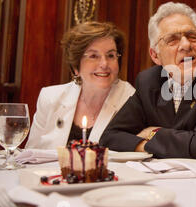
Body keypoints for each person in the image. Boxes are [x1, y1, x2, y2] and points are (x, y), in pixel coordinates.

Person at [100, 2, 196, 189]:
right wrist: (147, 145)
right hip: (165, 187)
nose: (186, 45)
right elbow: (110, 137)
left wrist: (153, 133)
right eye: (172, 40)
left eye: (192, 37)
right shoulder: (148, 81)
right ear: (155, 55)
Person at [25, 21, 135, 149]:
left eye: (111, 55)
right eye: (94, 56)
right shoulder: (50, 97)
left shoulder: (130, 99)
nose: (104, 64)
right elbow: (30, 155)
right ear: (76, 66)